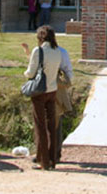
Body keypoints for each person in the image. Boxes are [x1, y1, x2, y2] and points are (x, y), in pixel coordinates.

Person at [21, 26, 62, 170]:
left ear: (40, 37)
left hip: (40, 91)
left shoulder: (38, 51)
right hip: (52, 89)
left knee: (40, 126)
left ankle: (43, 161)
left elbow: (31, 73)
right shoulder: (57, 51)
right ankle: (52, 159)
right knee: (52, 125)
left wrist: (25, 74)